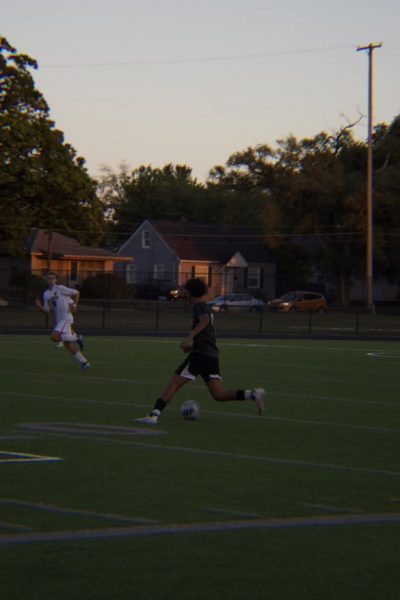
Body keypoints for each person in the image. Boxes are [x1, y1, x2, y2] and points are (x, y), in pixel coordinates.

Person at [135, 278, 266, 425]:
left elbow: (204, 321)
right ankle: (253, 394)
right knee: (218, 394)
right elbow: (206, 334)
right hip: (211, 355)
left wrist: (190, 337)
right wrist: (190, 346)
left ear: (190, 293)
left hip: (201, 355)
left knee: (174, 384)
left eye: (186, 291)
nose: (185, 294)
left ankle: (154, 415)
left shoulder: (199, 307)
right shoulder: (204, 307)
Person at [35, 272, 91, 369]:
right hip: (59, 320)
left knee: (54, 337)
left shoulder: (60, 288)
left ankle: (77, 337)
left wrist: (74, 305)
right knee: (68, 344)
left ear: (56, 280)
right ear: (46, 280)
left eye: (53, 278)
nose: (51, 280)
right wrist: (39, 306)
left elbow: (76, 292)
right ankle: (84, 363)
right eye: (49, 278)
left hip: (66, 317)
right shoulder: (46, 294)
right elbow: (47, 311)